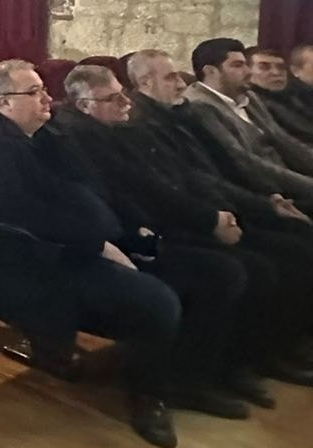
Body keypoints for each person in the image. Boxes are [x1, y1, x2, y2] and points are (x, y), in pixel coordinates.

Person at [0, 62, 183, 447]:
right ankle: (149, 396)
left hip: (86, 239)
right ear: (3, 103)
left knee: (188, 267)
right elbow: (26, 215)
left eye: (43, 89)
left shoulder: (42, 133)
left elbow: (88, 186)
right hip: (40, 258)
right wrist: (99, 244)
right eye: (33, 92)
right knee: (158, 301)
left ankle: (181, 372)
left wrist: (127, 229)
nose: (47, 98)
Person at [46, 66, 273, 414]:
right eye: (113, 98)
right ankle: (185, 382)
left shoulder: (113, 129)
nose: (126, 103)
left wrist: (216, 214)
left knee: (247, 264)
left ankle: (221, 367)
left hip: (147, 228)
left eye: (122, 93)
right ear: (84, 105)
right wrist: (200, 222)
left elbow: (164, 181)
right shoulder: (80, 136)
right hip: (120, 242)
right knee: (226, 271)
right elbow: (131, 191)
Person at [126, 49, 313, 384]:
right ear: (144, 83)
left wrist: (264, 201)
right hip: (189, 221)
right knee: (268, 262)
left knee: (298, 242)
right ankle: (241, 361)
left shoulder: (176, 114)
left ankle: (276, 349)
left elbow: (213, 170)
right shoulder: (144, 124)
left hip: (224, 204)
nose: (181, 83)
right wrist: (223, 215)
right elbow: (178, 186)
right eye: (171, 77)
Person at [184, 38, 313, 210]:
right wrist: (308, 186)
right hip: (261, 194)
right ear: (211, 71)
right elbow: (243, 162)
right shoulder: (199, 105)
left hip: (289, 182)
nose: (247, 71)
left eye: (246, 64)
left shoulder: (248, 96)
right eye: (238, 65)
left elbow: (283, 140)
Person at [246, 45, 313, 145]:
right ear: (246, 71)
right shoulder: (252, 106)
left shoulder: (295, 98)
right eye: (264, 67)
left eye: (281, 67)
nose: (276, 73)